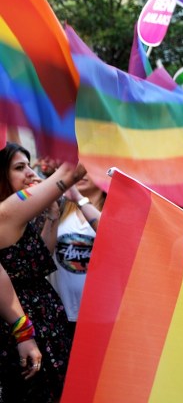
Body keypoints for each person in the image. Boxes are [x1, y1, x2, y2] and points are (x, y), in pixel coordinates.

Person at [0, 143, 85, 402]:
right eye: (19, 167)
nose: (29, 172)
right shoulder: (6, 213)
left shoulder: (20, 216)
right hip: (21, 324)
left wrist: (52, 214)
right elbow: (72, 172)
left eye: (29, 165)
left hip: (46, 318)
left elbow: (39, 259)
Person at [49, 175, 103, 341]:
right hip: (61, 313)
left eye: (88, 168)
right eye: (78, 168)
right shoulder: (60, 207)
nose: (82, 173)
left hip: (101, 317)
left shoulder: (115, 210)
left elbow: (114, 236)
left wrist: (79, 199)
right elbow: (43, 254)